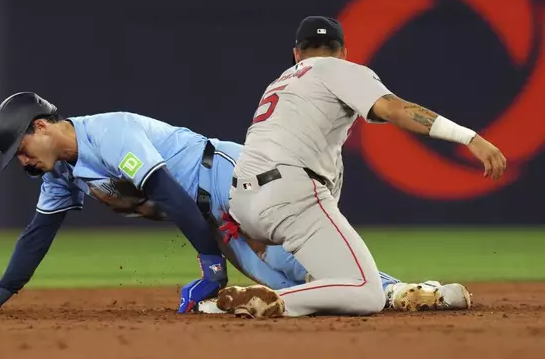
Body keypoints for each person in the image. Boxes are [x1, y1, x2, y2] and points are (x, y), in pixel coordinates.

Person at [0, 92, 471, 315]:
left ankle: (402, 290)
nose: (23, 161)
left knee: (297, 259)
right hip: (208, 210)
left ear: (41, 127)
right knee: (283, 283)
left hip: (231, 176)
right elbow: (38, 233)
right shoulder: (61, 173)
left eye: (22, 147)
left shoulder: (108, 132)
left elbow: (164, 192)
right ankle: (404, 294)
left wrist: (209, 265)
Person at [215, 16, 505, 318]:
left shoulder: (281, 82)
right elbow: (396, 110)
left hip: (242, 205)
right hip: (289, 194)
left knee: (337, 278)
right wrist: (468, 137)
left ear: (297, 53)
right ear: (343, 53)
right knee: (366, 293)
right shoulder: (338, 69)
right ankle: (275, 300)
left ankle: (226, 303)